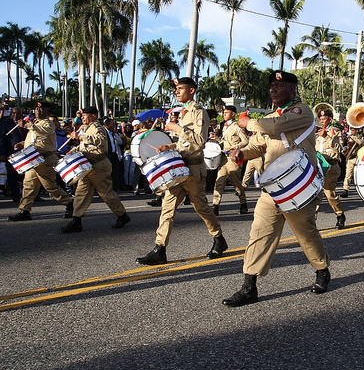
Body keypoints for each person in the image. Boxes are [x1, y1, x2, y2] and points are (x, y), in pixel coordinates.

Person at [222, 70, 331, 307]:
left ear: (292, 90)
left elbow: (275, 126)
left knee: (305, 234)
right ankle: (249, 286)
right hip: (272, 187)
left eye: (279, 87)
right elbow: (258, 145)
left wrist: (247, 122)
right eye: (271, 86)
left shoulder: (302, 111)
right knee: (259, 234)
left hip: (297, 185)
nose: (273, 90)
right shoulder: (271, 117)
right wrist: (242, 153)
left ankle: (322, 269)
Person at [136, 77, 228, 265]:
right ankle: (159, 249)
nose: (177, 92)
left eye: (181, 88)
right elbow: (183, 143)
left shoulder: (198, 112)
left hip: (193, 169)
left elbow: (199, 141)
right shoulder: (184, 112)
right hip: (178, 167)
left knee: (201, 207)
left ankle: (219, 240)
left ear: (192, 90)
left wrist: (175, 128)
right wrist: (168, 147)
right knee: (167, 209)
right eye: (176, 89)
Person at [60, 106, 131, 233]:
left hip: (99, 166)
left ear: (93, 116)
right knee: (81, 194)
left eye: (84, 115)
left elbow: (99, 141)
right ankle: (76, 220)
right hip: (87, 166)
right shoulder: (87, 128)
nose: (82, 117)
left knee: (106, 194)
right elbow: (84, 147)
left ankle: (122, 215)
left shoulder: (98, 128)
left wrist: (80, 137)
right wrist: (71, 151)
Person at [8, 102, 74, 221]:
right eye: (36, 108)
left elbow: (44, 132)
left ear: (47, 111)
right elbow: (35, 141)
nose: (37, 110)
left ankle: (69, 203)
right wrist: (22, 144)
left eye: (41, 108)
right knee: (28, 186)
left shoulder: (48, 124)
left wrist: (28, 125)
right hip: (33, 159)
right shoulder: (36, 124)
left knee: (50, 186)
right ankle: (25, 210)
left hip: (45, 160)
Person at [212, 104, 249, 215]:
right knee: (219, 182)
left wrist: (232, 148)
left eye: (226, 113)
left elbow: (245, 141)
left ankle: (243, 203)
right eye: (224, 113)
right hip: (224, 159)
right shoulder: (224, 126)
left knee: (237, 184)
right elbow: (225, 141)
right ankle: (215, 206)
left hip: (234, 159)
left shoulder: (237, 127)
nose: (224, 115)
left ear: (233, 114)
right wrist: (217, 139)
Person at [315, 106, 346, 229]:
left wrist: (326, 137)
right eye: (320, 118)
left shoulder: (335, 131)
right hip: (318, 166)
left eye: (324, 118)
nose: (321, 120)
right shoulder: (317, 133)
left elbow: (338, 148)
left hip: (331, 166)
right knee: (315, 194)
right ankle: (312, 221)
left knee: (330, 195)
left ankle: (340, 214)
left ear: (330, 119)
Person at [339, 125, 364, 198]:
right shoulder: (350, 137)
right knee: (348, 175)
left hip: (358, 158)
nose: (351, 131)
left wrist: (353, 137)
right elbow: (346, 147)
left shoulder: (361, 137)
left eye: (353, 130)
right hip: (350, 158)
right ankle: (345, 190)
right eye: (351, 130)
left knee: (360, 175)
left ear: (357, 130)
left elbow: (361, 143)